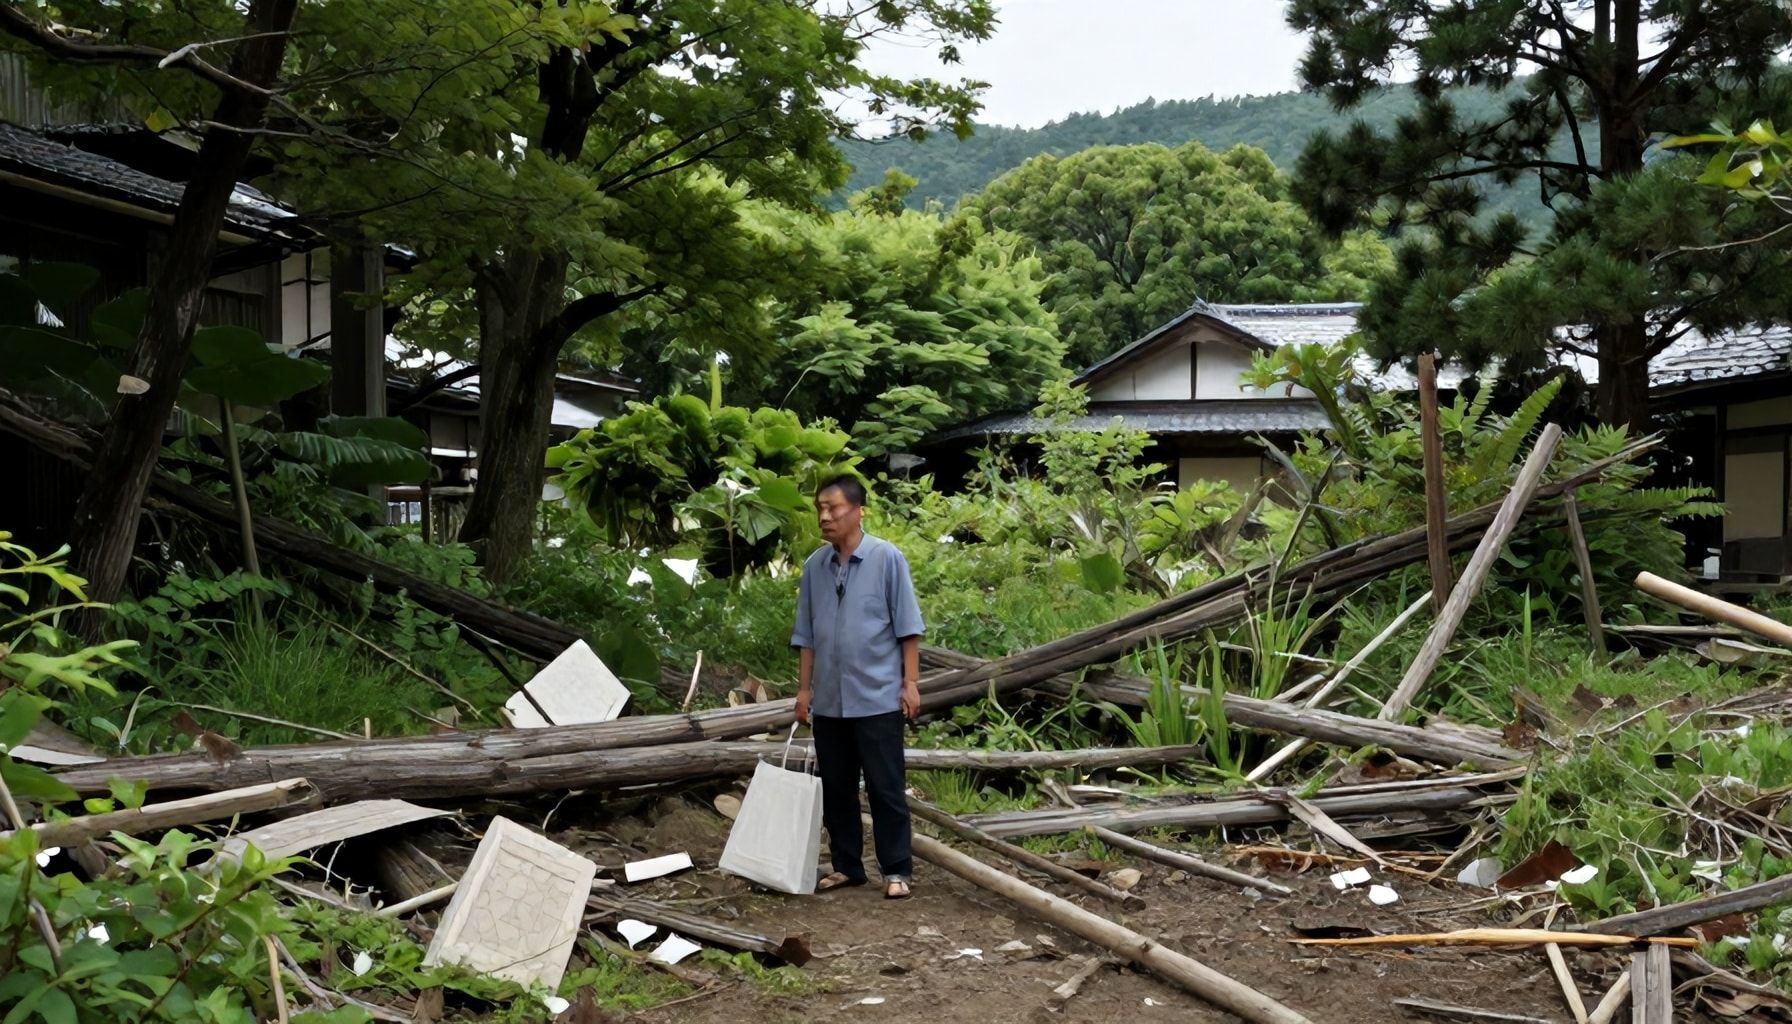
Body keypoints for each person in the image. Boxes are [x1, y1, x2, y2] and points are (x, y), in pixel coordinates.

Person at [791, 474, 925, 900]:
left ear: (858, 510)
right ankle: (847, 865)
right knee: (837, 786)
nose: (825, 517)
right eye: (820, 509)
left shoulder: (887, 559)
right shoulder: (815, 567)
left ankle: (897, 868)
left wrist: (910, 684)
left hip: (878, 696)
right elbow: (806, 634)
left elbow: (908, 628)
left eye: (833, 508)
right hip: (830, 700)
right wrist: (804, 692)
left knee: (885, 786)